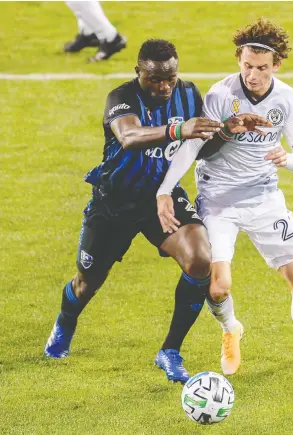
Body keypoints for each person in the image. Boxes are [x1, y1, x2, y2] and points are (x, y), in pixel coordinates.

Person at [156, 19, 293, 374]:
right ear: (239, 60)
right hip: (218, 201)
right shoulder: (220, 95)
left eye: (261, 68)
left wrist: (287, 159)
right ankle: (231, 330)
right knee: (217, 288)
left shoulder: (287, 99)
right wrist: (166, 188)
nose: (252, 75)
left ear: (276, 64)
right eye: (246, 66)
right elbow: (197, 149)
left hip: (264, 198)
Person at [44, 39, 225, 384]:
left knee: (200, 258)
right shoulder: (121, 97)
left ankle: (170, 351)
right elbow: (128, 136)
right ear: (138, 73)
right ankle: (66, 322)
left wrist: (228, 130)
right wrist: (177, 129)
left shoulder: (188, 95)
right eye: (154, 78)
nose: (164, 86)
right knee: (87, 283)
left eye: (170, 78)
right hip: (113, 202)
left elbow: (200, 148)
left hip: (162, 197)